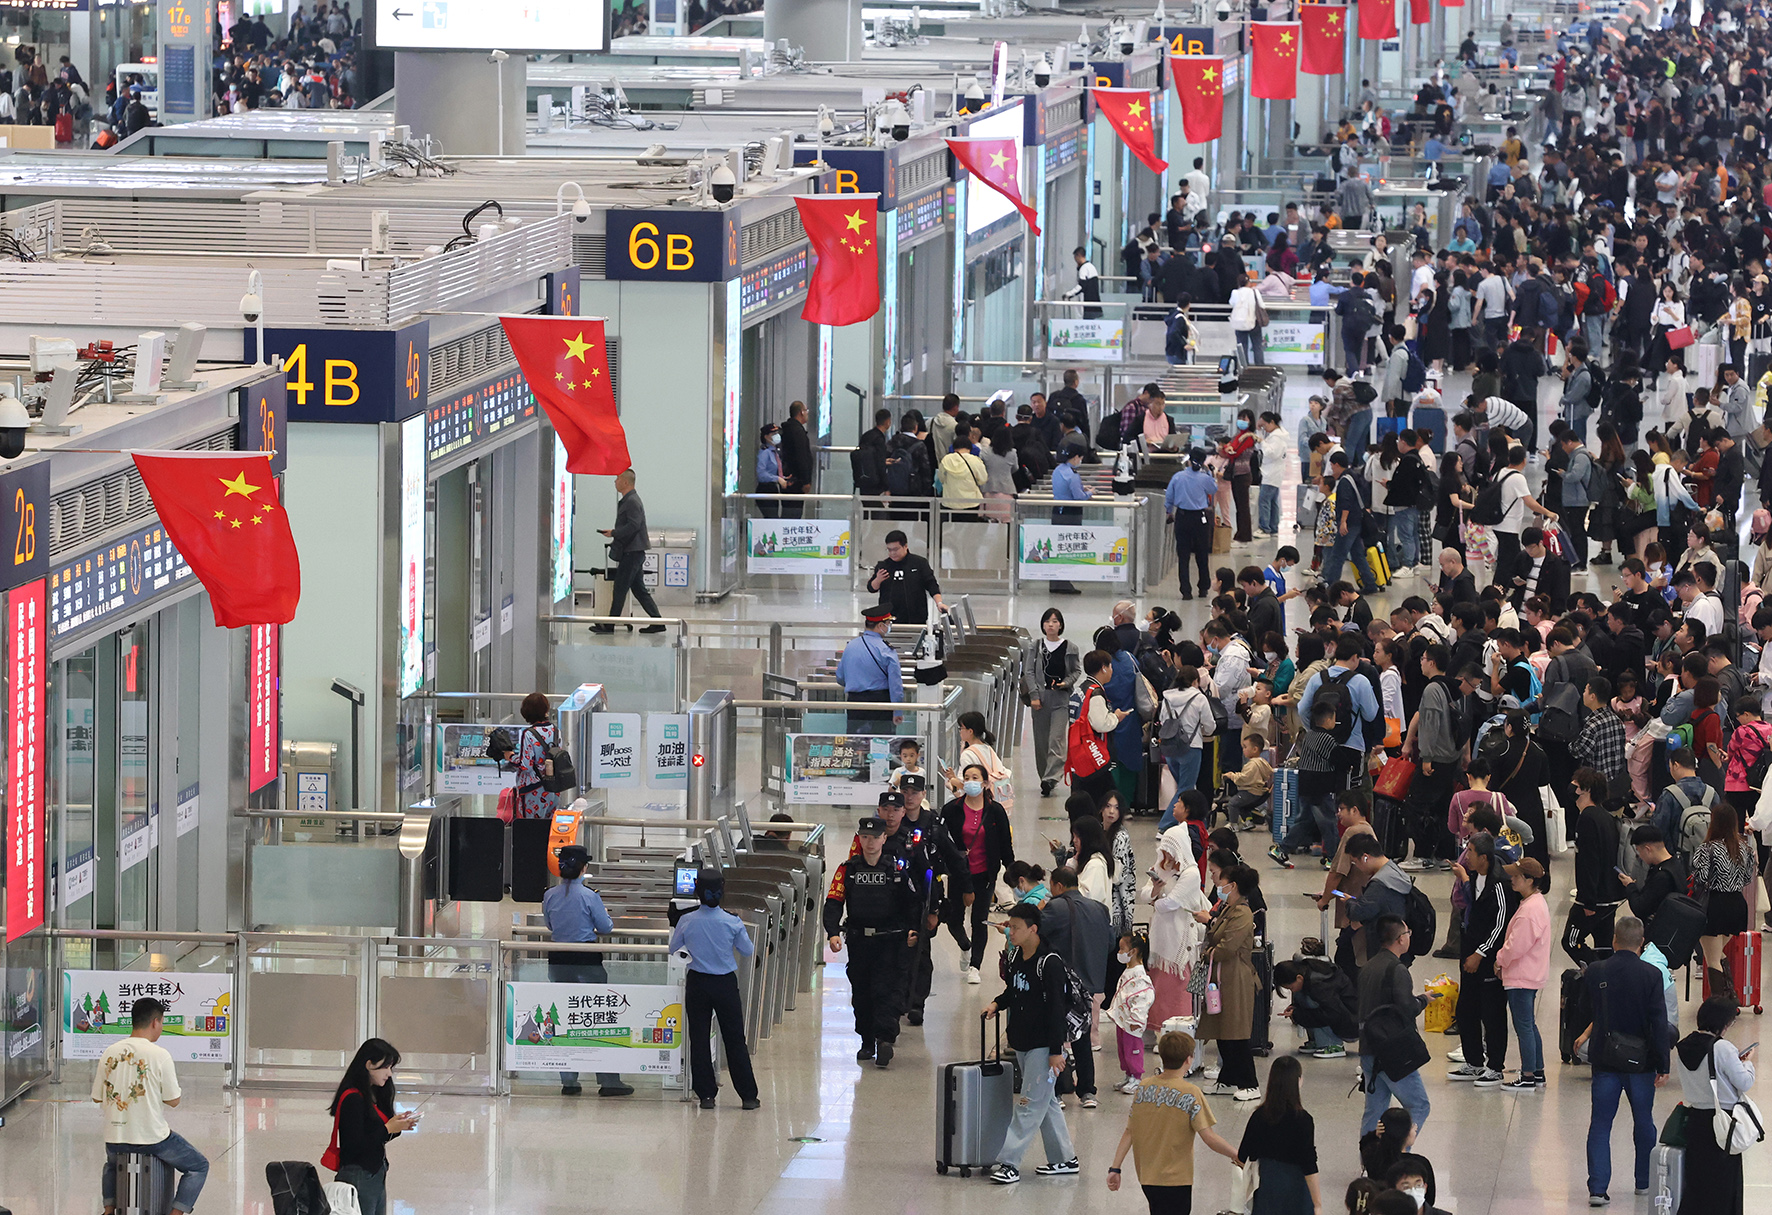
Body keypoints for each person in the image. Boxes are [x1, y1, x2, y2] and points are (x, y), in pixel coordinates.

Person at [984, 903, 1079, 1184]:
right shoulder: (1016, 956)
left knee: (1027, 1103)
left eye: (1015, 928)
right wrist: (997, 1004)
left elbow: (1057, 1009)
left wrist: (1056, 1051)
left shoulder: (1050, 962)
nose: (1010, 932)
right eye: (1009, 927)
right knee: (1045, 1102)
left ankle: (1009, 1163)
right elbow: (1014, 991)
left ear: (1033, 929)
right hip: (1022, 1042)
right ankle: (1065, 1159)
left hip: (1044, 1046)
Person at [1583, 915, 1671, 1206]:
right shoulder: (1651, 975)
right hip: (1641, 1063)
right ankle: (1643, 1181)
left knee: (1600, 1124)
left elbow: (1588, 1009)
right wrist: (1663, 1064)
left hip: (1605, 1060)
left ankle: (1597, 1189)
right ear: (1641, 943)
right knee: (1644, 1121)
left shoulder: (1596, 971)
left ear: (1614, 940)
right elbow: (1659, 1022)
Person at [93, 998, 209, 1215]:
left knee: (112, 1164)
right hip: (151, 1139)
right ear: (155, 1022)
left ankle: (108, 1210)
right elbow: (173, 1100)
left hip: (114, 1138)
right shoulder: (159, 1055)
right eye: (162, 1022)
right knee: (198, 1166)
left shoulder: (109, 1052)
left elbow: (97, 1098)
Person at [1106, 1029, 1241, 1214]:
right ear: (1188, 1060)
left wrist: (1115, 1168)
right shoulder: (1191, 1093)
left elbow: (1130, 1131)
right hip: (1177, 1179)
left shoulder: (1143, 1087)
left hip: (1147, 1176)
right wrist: (1236, 1154)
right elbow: (1208, 1137)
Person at [824, 815, 921, 1069]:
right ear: (859, 838)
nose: (870, 842)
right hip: (859, 942)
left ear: (884, 839)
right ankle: (867, 1040)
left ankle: (884, 1039)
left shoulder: (896, 870)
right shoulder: (848, 870)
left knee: (887, 991)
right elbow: (833, 902)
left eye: (875, 837)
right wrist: (833, 932)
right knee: (862, 993)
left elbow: (912, 903)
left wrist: (913, 929)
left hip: (890, 941)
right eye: (865, 837)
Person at [543, 845, 632, 1097]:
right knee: (598, 1018)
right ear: (583, 868)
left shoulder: (549, 895)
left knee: (564, 1016)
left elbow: (549, 925)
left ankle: (569, 1081)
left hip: (558, 959)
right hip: (586, 959)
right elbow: (605, 927)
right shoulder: (590, 896)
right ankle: (608, 1080)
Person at [669, 869, 761, 1110]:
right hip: (725, 984)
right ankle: (748, 1096)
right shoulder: (732, 921)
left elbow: (673, 948)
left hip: (698, 983)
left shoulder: (687, 920)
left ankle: (706, 1095)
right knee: (735, 1039)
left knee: (699, 1038)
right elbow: (748, 950)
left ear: (696, 889)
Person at [1673, 996, 1758, 1215]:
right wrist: (1747, 1064)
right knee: (1724, 1183)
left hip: (1695, 1120)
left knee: (1697, 1182)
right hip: (1723, 1122)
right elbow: (1744, 1082)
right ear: (1723, 1022)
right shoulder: (1722, 1048)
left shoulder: (1683, 1046)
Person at [1356, 915, 1436, 1135]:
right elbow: (1406, 1008)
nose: (1409, 936)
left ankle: (1369, 1153)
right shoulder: (1397, 969)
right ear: (1400, 938)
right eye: (1407, 933)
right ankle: (1399, 1149)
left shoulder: (1368, 967)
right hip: (1392, 1051)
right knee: (1419, 1105)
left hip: (1368, 1047)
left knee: (1374, 1110)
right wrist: (1422, 1001)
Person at [1445, 832, 1512, 1087]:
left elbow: (1500, 924)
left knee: (1492, 1013)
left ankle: (1495, 1067)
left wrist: (1480, 953)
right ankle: (1474, 1062)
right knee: (1466, 1009)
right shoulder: (1474, 877)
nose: (1467, 856)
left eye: (1471, 852)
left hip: (1488, 958)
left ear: (1484, 857)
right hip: (1469, 952)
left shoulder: (1499, 883)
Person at [1043, 865, 1113, 1107]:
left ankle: (1057, 1091)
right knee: (1082, 1035)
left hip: (1063, 981)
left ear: (1058, 885)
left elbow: (1038, 935)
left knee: (1057, 1035)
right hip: (1090, 983)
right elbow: (1110, 942)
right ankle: (1087, 1091)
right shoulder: (1100, 909)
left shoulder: (1055, 907)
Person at [322, 1039, 417, 1215]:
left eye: (391, 1067)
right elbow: (355, 1145)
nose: (389, 1073)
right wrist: (388, 1128)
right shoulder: (353, 1098)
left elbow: (376, 1135)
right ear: (369, 1064)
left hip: (375, 1173)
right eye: (385, 1067)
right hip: (359, 1174)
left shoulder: (373, 1094)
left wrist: (397, 1126)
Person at [941, 760, 1014, 985]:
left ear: (984, 783)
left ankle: (975, 966)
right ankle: (965, 946)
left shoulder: (995, 811)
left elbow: (1005, 843)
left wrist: (1012, 871)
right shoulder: (951, 809)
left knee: (979, 920)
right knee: (954, 920)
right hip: (959, 873)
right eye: (967, 778)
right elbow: (942, 841)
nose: (970, 782)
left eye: (975, 778)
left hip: (985, 873)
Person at [1196, 865, 1263, 1102]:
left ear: (1233, 886)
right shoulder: (1228, 909)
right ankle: (1229, 1078)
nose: (1218, 886)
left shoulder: (1242, 914)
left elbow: (1226, 947)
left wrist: (1207, 953)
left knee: (1236, 1031)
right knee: (1223, 1030)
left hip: (1236, 979)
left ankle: (1250, 1083)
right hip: (1222, 977)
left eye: (1222, 882)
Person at [1236, 1055, 1323, 1213]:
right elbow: (1309, 1164)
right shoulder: (1303, 1120)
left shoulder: (1258, 1116)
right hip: (1296, 1193)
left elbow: (1243, 1156)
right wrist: (1317, 1204)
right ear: (1298, 1081)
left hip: (1266, 1191)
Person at [1495, 856, 1552, 1091]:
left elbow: (1516, 945)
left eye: (1516, 876)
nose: (1512, 879)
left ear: (1529, 880)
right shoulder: (1534, 903)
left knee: (1524, 1027)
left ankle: (1528, 1075)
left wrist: (1499, 960)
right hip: (1529, 973)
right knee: (1529, 1024)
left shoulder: (1530, 910)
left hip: (1521, 976)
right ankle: (1537, 1071)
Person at [1145, 823, 1210, 1027]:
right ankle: (1158, 1027)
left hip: (1180, 938)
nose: (1166, 855)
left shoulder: (1191, 873)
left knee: (1178, 989)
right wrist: (1155, 891)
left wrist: (1156, 901)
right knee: (1159, 986)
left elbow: (1172, 903)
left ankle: (1179, 1032)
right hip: (1160, 938)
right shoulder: (1161, 867)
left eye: (1170, 850)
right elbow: (1145, 894)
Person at [1691, 802, 1757, 1004]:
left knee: (1712, 959)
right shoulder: (1745, 848)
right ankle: (1731, 997)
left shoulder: (1706, 848)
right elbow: (1747, 878)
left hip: (1714, 904)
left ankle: (1720, 1004)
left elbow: (1700, 877)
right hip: (1737, 904)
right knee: (1717, 952)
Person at [594, 469, 665, 632]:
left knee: (620, 589)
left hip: (632, 552)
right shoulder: (629, 500)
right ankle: (658, 622)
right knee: (639, 590)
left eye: (617, 478)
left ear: (625, 482)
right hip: (634, 551)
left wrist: (614, 533)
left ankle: (609, 626)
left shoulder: (632, 501)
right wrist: (614, 532)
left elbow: (634, 525)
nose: (615, 481)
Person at [1027, 608, 1081, 798]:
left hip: (1061, 698)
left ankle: (1051, 778)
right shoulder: (1035, 646)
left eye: (1055, 621)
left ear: (1061, 625)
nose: (1051, 625)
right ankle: (1044, 775)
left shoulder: (1070, 648)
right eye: (1047, 621)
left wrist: (1066, 683)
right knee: (1041, 740)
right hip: (1040, 698)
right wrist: (1034, 695)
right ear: (1043, 625)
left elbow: (1076, 671)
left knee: (1056, 739)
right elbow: (1029, 671)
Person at [1273, 956, 1359, 1059]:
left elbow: (1331, 1013)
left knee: (1310, 1002)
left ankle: (1332, 1044)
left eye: (1291, 987)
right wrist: (1295, 1008)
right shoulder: (1309, 974)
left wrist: (1297, 1014)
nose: (1293, 991)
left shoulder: (1319, 985)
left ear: (1299, 978)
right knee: (1303, 997)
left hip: (1350, 1024)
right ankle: (1318, 1041)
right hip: (1347, 1017)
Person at [834, 604, 902, 733]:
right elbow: (895, 684)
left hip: (855, 703)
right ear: (880, 625)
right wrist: (897, 710)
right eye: (888, 623)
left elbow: (840, 678)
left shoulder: (851, 646)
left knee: (856, 740)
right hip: (880, 703)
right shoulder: (886, 649)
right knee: (881, 741)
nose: (889, 627)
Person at [1166, 449, 1218, 600]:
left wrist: (1169, 512)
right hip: (1200, 519)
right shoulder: (1204, 478)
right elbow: (1213, 489)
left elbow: (1169, 497)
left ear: (1189, 460)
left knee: (1183, 556)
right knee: (1202, 554)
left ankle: (1186, 591)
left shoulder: (1178, 477)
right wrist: (1209, 473)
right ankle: (1203, 588)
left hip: (1182, 518)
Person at [1108, 931, 1156, 1093]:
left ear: (1133, 951)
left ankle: (1136, 1076)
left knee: (1133, 1049)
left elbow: (1144, 998)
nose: (1119, 952)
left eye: (1122, 949)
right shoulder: (1128, 971)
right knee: (1123, 1050)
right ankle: (1128, 1075)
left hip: (1132, 1022)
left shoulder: (1140, 976)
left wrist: (1137, 1018)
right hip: (1123, 1020)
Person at [868, 529, 943, 624]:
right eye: (889, 550)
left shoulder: (919, 563)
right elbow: (871, 588)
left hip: (916, 617)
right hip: (888, 618)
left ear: (905, 546)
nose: (892, 553)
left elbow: (932, 585)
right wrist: (878, 579)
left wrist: (939, 603)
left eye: (896, 549)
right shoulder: (884, 566)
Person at [510, 691, 564, 820]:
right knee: (548, 827)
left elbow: (526, 766)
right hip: (553, 787)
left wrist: (510, 757)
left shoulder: (529, 734)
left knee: (531, 828)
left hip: (533, 790)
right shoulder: (555, 730)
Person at [778, 400, 815, 518]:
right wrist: (806, 480)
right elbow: (801, 457)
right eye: (806, 410)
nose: (807, 413)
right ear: (801, 412)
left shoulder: (789, 429)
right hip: (795, 480)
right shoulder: (797, 432)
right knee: (793, 513)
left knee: (789, 511)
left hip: (789, 478)